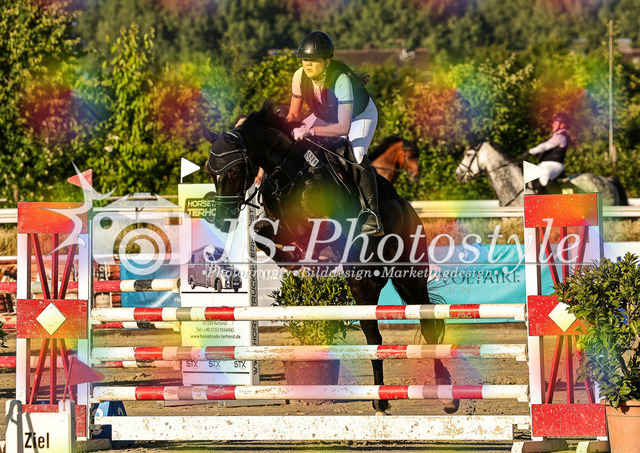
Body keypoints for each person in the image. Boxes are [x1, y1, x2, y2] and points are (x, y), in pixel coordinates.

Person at [286, 31, 383, 236]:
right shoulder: (299, 76)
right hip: (326, 115)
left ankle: (371, 214)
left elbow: (343, 128)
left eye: (314, 60)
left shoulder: (340, 80)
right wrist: (286, 130)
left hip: (358, 116)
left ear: (327, 61)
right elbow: (293, 114)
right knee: (292, 143)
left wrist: (311, 130)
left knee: (356, 154)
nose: (308, 64)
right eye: (305, 60)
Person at [527, 113, 573, 188]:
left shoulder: (560, 137)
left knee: (544, 177)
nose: (552, 125)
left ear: (562, 125)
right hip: (543, 165)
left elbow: (545, 146)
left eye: (555, 123)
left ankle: (556, 195)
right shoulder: (556, 136)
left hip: (554, 165)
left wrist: (531, 151)